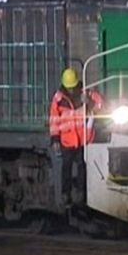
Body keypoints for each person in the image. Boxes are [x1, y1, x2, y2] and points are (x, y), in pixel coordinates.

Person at [49, 68, 104, 205]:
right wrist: (55, 138)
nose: (72, 90)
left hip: (83, 139)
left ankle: (82, 193)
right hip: (67, 140)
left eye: (73, 87)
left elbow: (100, 105)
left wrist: (89, 103)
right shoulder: (58, 99)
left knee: (82, 166)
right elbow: (54, 120)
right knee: (65, 167)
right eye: (70, 88)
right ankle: (65, 194)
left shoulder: (86, 94)